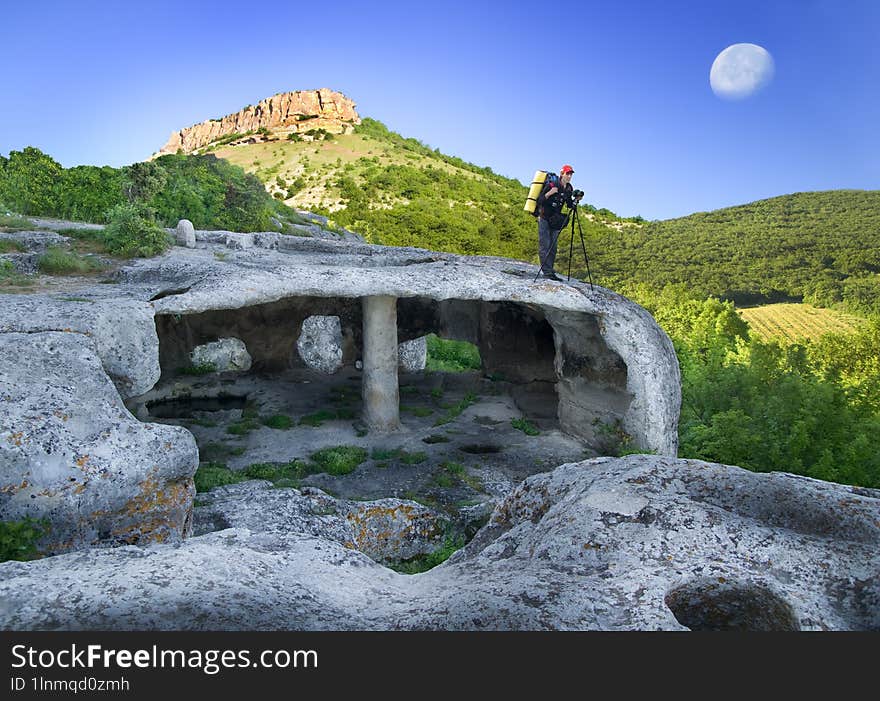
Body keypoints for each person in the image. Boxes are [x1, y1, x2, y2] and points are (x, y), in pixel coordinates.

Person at [536, 164, 582, 280]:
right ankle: (547, 272)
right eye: (567, 173)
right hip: (544, 217)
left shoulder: (568, 189)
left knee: (553, 246)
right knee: (545, 245)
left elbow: (569, 205)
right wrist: (550, 193)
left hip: (555, 220)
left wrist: (576, 200)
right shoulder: (553, 184)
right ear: (562, 173)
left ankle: (550, 270)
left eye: (571, 174)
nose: (569, 176)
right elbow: (540, 200)